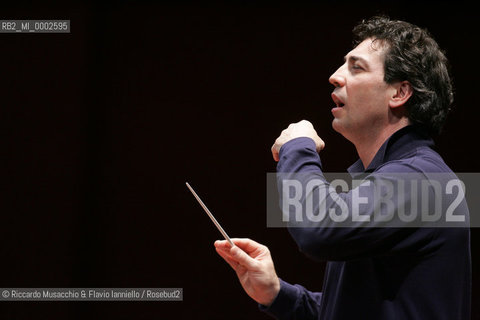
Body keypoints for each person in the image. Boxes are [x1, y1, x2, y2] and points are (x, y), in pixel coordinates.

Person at [214, 15, 471, 319]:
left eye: (356, 67)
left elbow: (318, 230)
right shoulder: (392, 180)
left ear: (399, 93)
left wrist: (299, 147)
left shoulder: (422, 180)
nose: (335, 76)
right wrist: (277, 293)